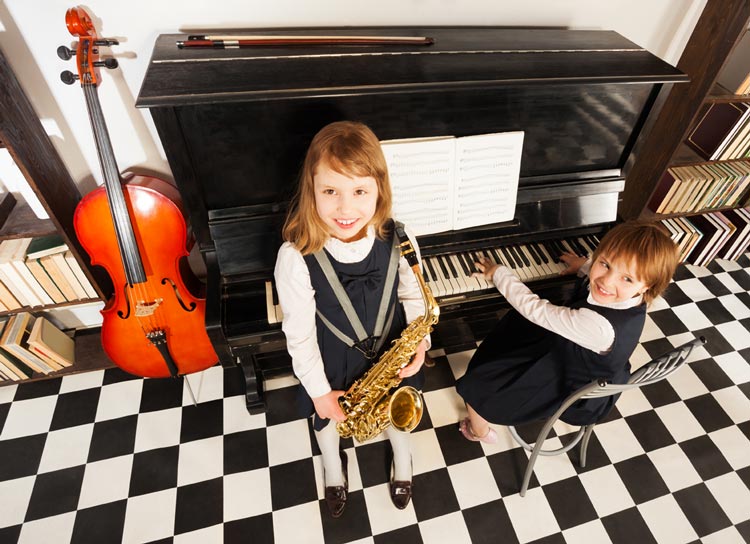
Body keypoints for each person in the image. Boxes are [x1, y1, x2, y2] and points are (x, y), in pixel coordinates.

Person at [274, 120, 429, 517]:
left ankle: (403, 456)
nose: (346, 208)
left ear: (380, 190)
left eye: (360, 191)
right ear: (312, 190)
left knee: (398, 409)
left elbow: (414, 295)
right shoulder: (295, 257)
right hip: (333, 362)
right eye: (330, 191)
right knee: (327, 421)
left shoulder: (401, 237)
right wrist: (320, 392)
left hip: (392, 351)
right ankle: (332, 468)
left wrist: (419, 345)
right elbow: (300, 335)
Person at [456, 221, 679, 443]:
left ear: (646, 286)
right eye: (605, 264)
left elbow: (534, 309)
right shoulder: (631, 298)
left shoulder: (598, 327)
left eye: (627, 278)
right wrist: (584, 267)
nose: (606, 281)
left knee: (476, 390)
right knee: (515, 331)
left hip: (567, 383)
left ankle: (479, 432)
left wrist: (499, 272)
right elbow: (604, 273)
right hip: (583, 360)